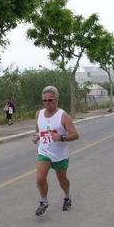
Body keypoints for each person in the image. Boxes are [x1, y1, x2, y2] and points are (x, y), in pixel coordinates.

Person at [32, 86, 79, 216]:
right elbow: (38, 128)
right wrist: (36, 136)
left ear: (57, 100)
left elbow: (75, 135)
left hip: (60, 155)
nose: (47, 103)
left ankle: (67, 196)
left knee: (62, 179)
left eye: (50, 100)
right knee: (40, 177)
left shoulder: (63, 116)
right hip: (44, 152)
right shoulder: (39, 114)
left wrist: (62, 137)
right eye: (45, 101)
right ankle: (43, 202)